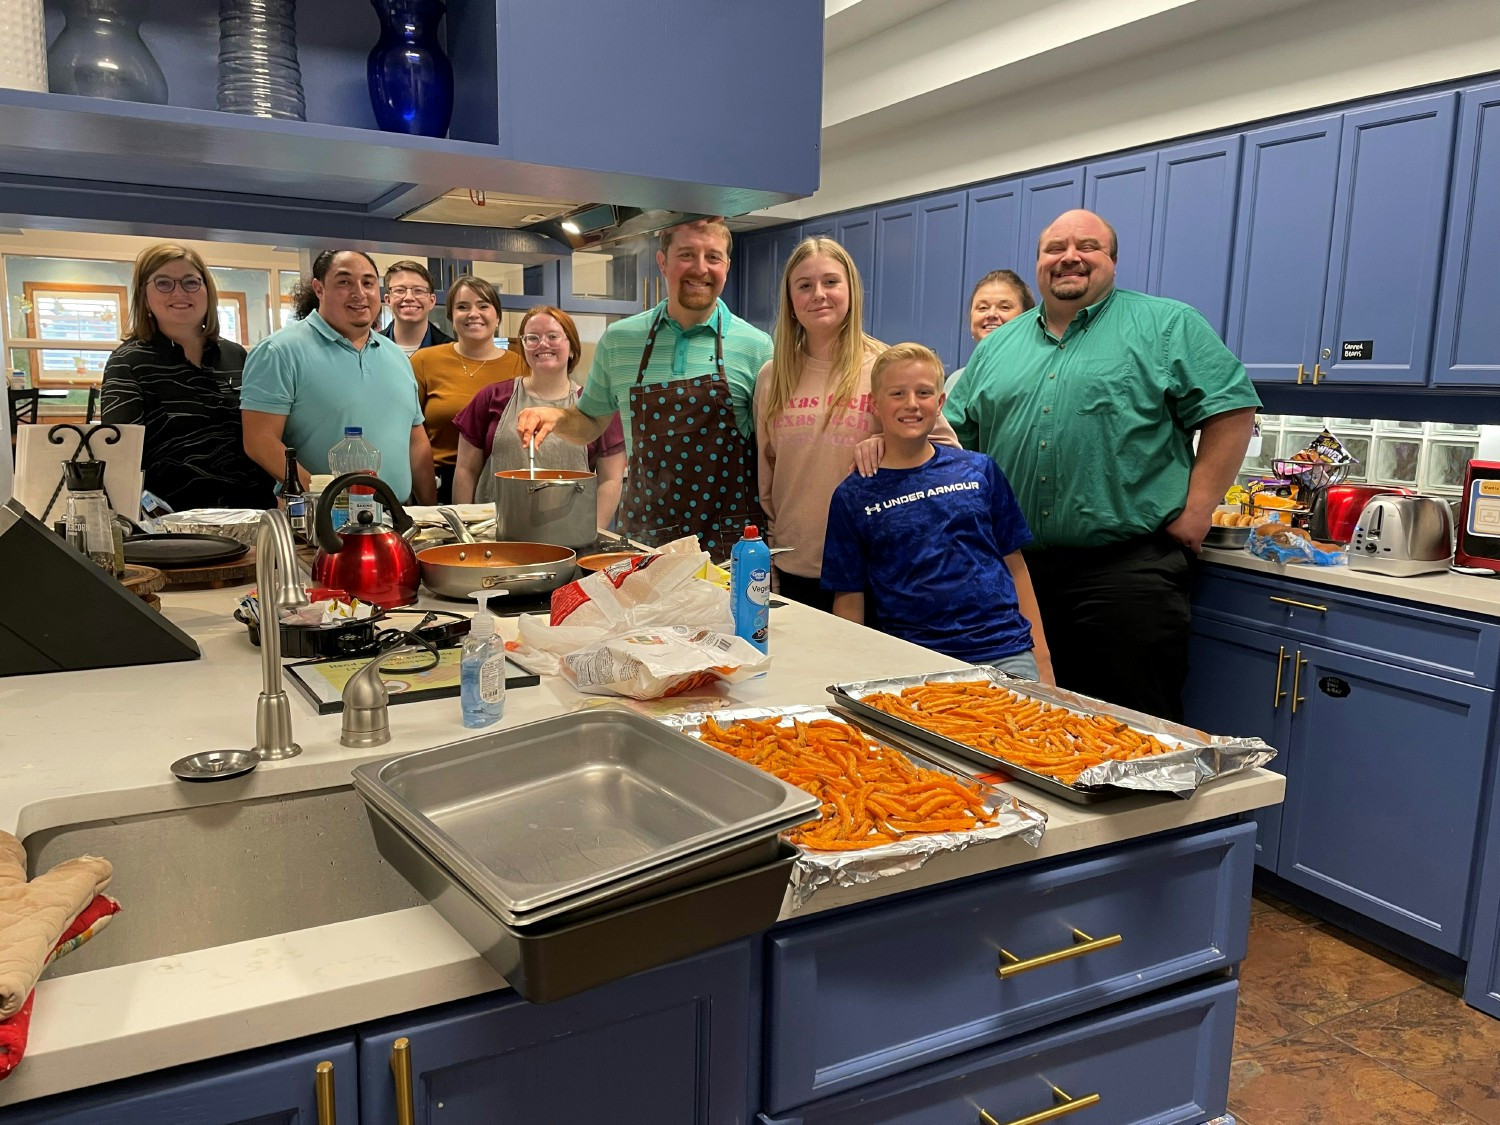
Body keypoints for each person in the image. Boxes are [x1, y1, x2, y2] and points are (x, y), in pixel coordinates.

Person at [944, 209, 1259, 721]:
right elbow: (955, 442)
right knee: (1019, 720)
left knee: (1131, 725)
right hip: (1015, 572)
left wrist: (1199, 510)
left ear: (1111, 260)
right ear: (1040, 262)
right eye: (1055, 248)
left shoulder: (1166, 325)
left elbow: (1232, 410)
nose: (1070, 257)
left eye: (1087, 246)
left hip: (1126, 570)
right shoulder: (998, 346)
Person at [515, 218, 770, 559]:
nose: (700, 268)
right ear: (662, 262)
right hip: (647, 540)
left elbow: (774, 452)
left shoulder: (757, 347)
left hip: (732, 544)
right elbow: (590, 422)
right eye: (686, 254)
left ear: (727, 265)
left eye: (713, 257)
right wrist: (556, 417)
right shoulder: (621, 341)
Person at [822, 343, 1051, 680]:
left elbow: (1014, 564)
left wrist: (1041, 658)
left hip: (1004, 653)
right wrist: (850, 675)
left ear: (940, 402)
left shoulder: (980, 470)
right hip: (912, 661)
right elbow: (849, 596)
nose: (911, 404)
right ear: (876, 404)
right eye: (897, 393)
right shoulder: (853, 495)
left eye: (923, 392)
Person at [754, 237, 959, 611]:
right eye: (805, 285)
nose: (819, 294)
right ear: (791, 301)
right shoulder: (772, 376)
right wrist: (771, 557)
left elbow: (949, 459)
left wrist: (891, 446)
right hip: (796, 566)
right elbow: (768, 478)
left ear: (850, 291)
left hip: (878, 570)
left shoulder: (886, 366)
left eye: (831, 282)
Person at [241, 249, 436, 504]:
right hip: (318, 522)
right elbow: (259, 441)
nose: (359, 293)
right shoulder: (279, 352)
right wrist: (321, 500)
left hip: (396, 517)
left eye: (367, 283)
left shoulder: (395, 355)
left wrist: (429, 512)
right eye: (344, 282)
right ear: (319, 288)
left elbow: (416, 442)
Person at [99, 243, 273, 512]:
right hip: (174, 525)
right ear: (144, 295)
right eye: (164, 283)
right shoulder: (128, 363)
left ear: (207, 290)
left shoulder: (236, 356)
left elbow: (261, 435)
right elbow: (120, 459)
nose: (179, 292)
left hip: (253, 514)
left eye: (191, 282)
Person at [453, 305, 626, 529]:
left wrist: (591, 533)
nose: (543, 344)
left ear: (572, 347)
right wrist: (464, 528)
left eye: (553, 336)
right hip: (493, 531)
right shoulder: (492, 397)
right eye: (532, 338)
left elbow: (610, 480)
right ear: (523, 346)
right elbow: (466, 469)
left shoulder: (595, 407)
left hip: (568, 534)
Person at [410, 276, 526, 502]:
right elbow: (409, 434)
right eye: (462, 307)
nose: (473, 313)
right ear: (452, 319)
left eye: (483, 306)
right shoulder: (424, 361)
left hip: (502, 482)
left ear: (498, 317)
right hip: (437, 484)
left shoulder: (521, 366)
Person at [944, 269, 1035, 395]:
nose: (991, 314)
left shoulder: (1038, 379)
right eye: (982, 308)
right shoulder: (955, 381)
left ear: (1027, 318)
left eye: (1005, 307)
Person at [380, 260, 454, 356]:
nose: (409, 297)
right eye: (400, 290)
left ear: (432, 301)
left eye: (418, 290)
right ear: (388, 300)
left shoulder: (451, 352)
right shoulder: (369, 349)